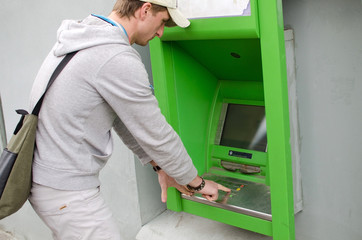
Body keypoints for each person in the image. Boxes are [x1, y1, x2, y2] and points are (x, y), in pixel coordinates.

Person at [28, 0, 230, 239]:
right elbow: (157, 134)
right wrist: (197, 182)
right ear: (145, 10)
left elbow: (123, 120)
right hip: (67, 190)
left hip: (49, 180)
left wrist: (160, 166)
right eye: (163, 21)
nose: (161, 32)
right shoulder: (115, 57)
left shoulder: (86, 37)